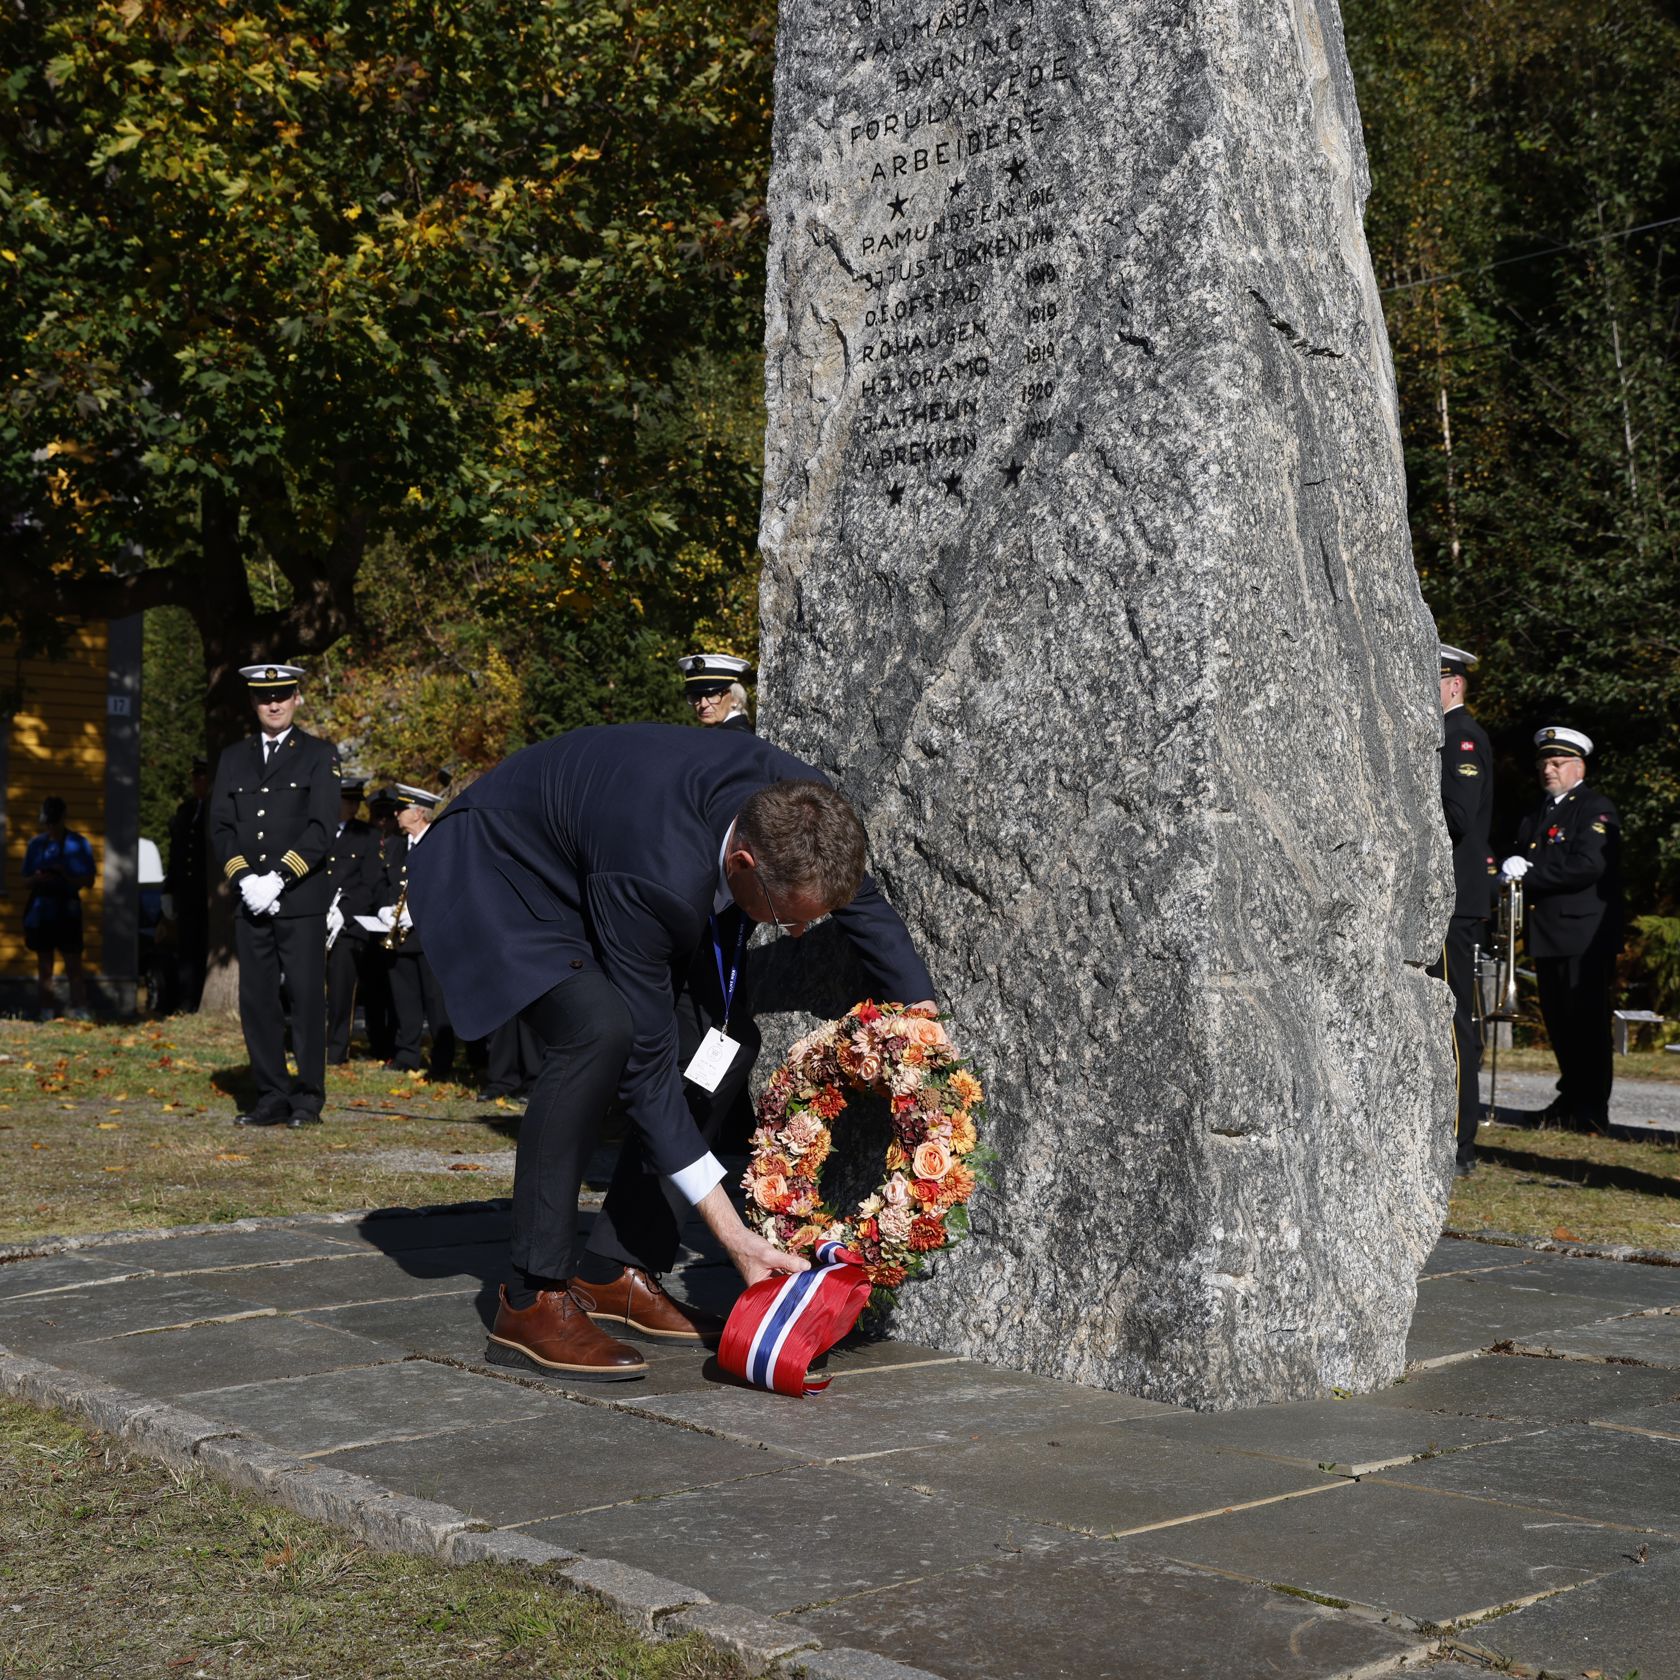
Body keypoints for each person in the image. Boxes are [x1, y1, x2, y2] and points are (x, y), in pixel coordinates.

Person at [408, 723, 935, 1382]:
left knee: (724, 1042)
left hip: (594, 853)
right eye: (785, 917)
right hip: (499, 867)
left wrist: (917, 1006)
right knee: (599, 1031)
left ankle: (615, 1267)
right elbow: (647, 1072)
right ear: (743, 864)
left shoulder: (803, 808)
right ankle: (531, 1294)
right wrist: (731, 1232)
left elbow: (847, 891)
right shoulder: (651, 876)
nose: (797, 932)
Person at [210, 663, 341, 1127]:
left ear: (297, 699)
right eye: (265, 697)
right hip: (250, 900)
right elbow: (221, 827)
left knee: (305, 999)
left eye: (283, 694)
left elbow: (323, 828)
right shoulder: (233, 758)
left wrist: (279, 877)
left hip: (300, 898)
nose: (274, 703)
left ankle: (307, 1098)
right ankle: (270, 1096)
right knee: (258, 1000)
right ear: (253, 702)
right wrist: (245, 878)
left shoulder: (320, 755)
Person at [1502, 726, 1624, 1131]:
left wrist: (1531, 873)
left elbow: (1589, 865)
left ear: (1579, 766)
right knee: (1560, 1022)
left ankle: (1592, 1109)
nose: (1548, 770)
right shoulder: (1539, 811)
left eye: (1556, 763)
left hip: (1582, 935)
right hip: (1548, 932)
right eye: (1543, 764)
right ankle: (1571, 1098)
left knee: (1587, 1023)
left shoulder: (1594, 808)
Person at [1430, 645, 1495, 1175]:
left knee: (1455, 1022)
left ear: (1454, 685)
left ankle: (1459, 1143)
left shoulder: (1460, 736)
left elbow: (1458, 815)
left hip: (1454, 902)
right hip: (1443, 899)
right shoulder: (1443, 736)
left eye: (1434, 679)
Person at [374, 784, 456, 1080]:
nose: (396, 814)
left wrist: (418, 914)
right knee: (404, 1000)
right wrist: (384, 908)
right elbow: (383, 882)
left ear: (419, 812)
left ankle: (442, 1062)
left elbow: (448, 889)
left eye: (402, 809)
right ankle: (407, 1055)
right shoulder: (396, 845)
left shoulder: (440, 842)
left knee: (436, 1003)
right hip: (398, 937)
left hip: (429, 937)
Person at [324, 777, 382, 1064]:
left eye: (354, 801)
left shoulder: (367, 836)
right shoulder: (317, 830)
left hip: (346, 925)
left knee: (341, 990)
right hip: (314, 919)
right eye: (347, 800)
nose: (352, 806)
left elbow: (369, 884)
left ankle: (336, 1050)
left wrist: (343, 913)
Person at [22, 797, 96, 1019]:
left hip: (67, 907)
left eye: (54, 822)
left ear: (63, 818)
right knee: (44, 963)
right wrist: (38, 878)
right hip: (41, 908)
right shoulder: (36, 845)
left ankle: (80, 1008)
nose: (51, 827)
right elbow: (25, 881)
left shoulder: (79, 844)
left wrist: (65, 875)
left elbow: (89, 880)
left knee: (73, 961)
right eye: (48, 823)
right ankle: (46, 1011)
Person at [163, 757, 210, 1012]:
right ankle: (185, 1001)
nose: (196, 783)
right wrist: (168, 890)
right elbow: (177, 854)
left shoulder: (217, 810)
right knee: (186, 948)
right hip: (186, 891)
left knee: (204, 947)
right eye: (195, 778)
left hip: (207, 892)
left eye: (201, 778)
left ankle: (200, 997)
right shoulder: (186, 811)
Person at [678, 653, 755, 732]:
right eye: (696, 696)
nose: (703, 705)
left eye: (712, 695)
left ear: (735, 699)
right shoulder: (720, 733)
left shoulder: (736, 738)